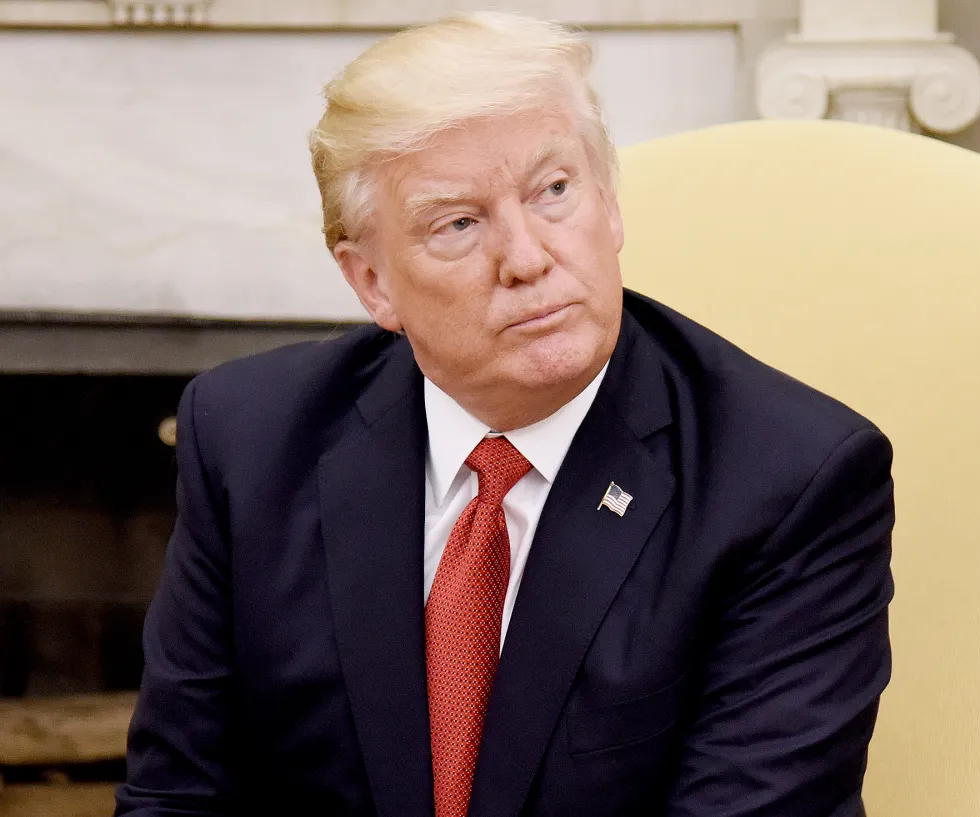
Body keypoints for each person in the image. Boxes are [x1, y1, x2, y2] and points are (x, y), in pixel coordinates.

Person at [115, 12, 893, 817]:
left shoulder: (791, 481)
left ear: (611, 205)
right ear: (372, 281)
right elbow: (178, 795)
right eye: (459, 223)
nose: (527, 258)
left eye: (554, 191)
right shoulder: (250, 440)